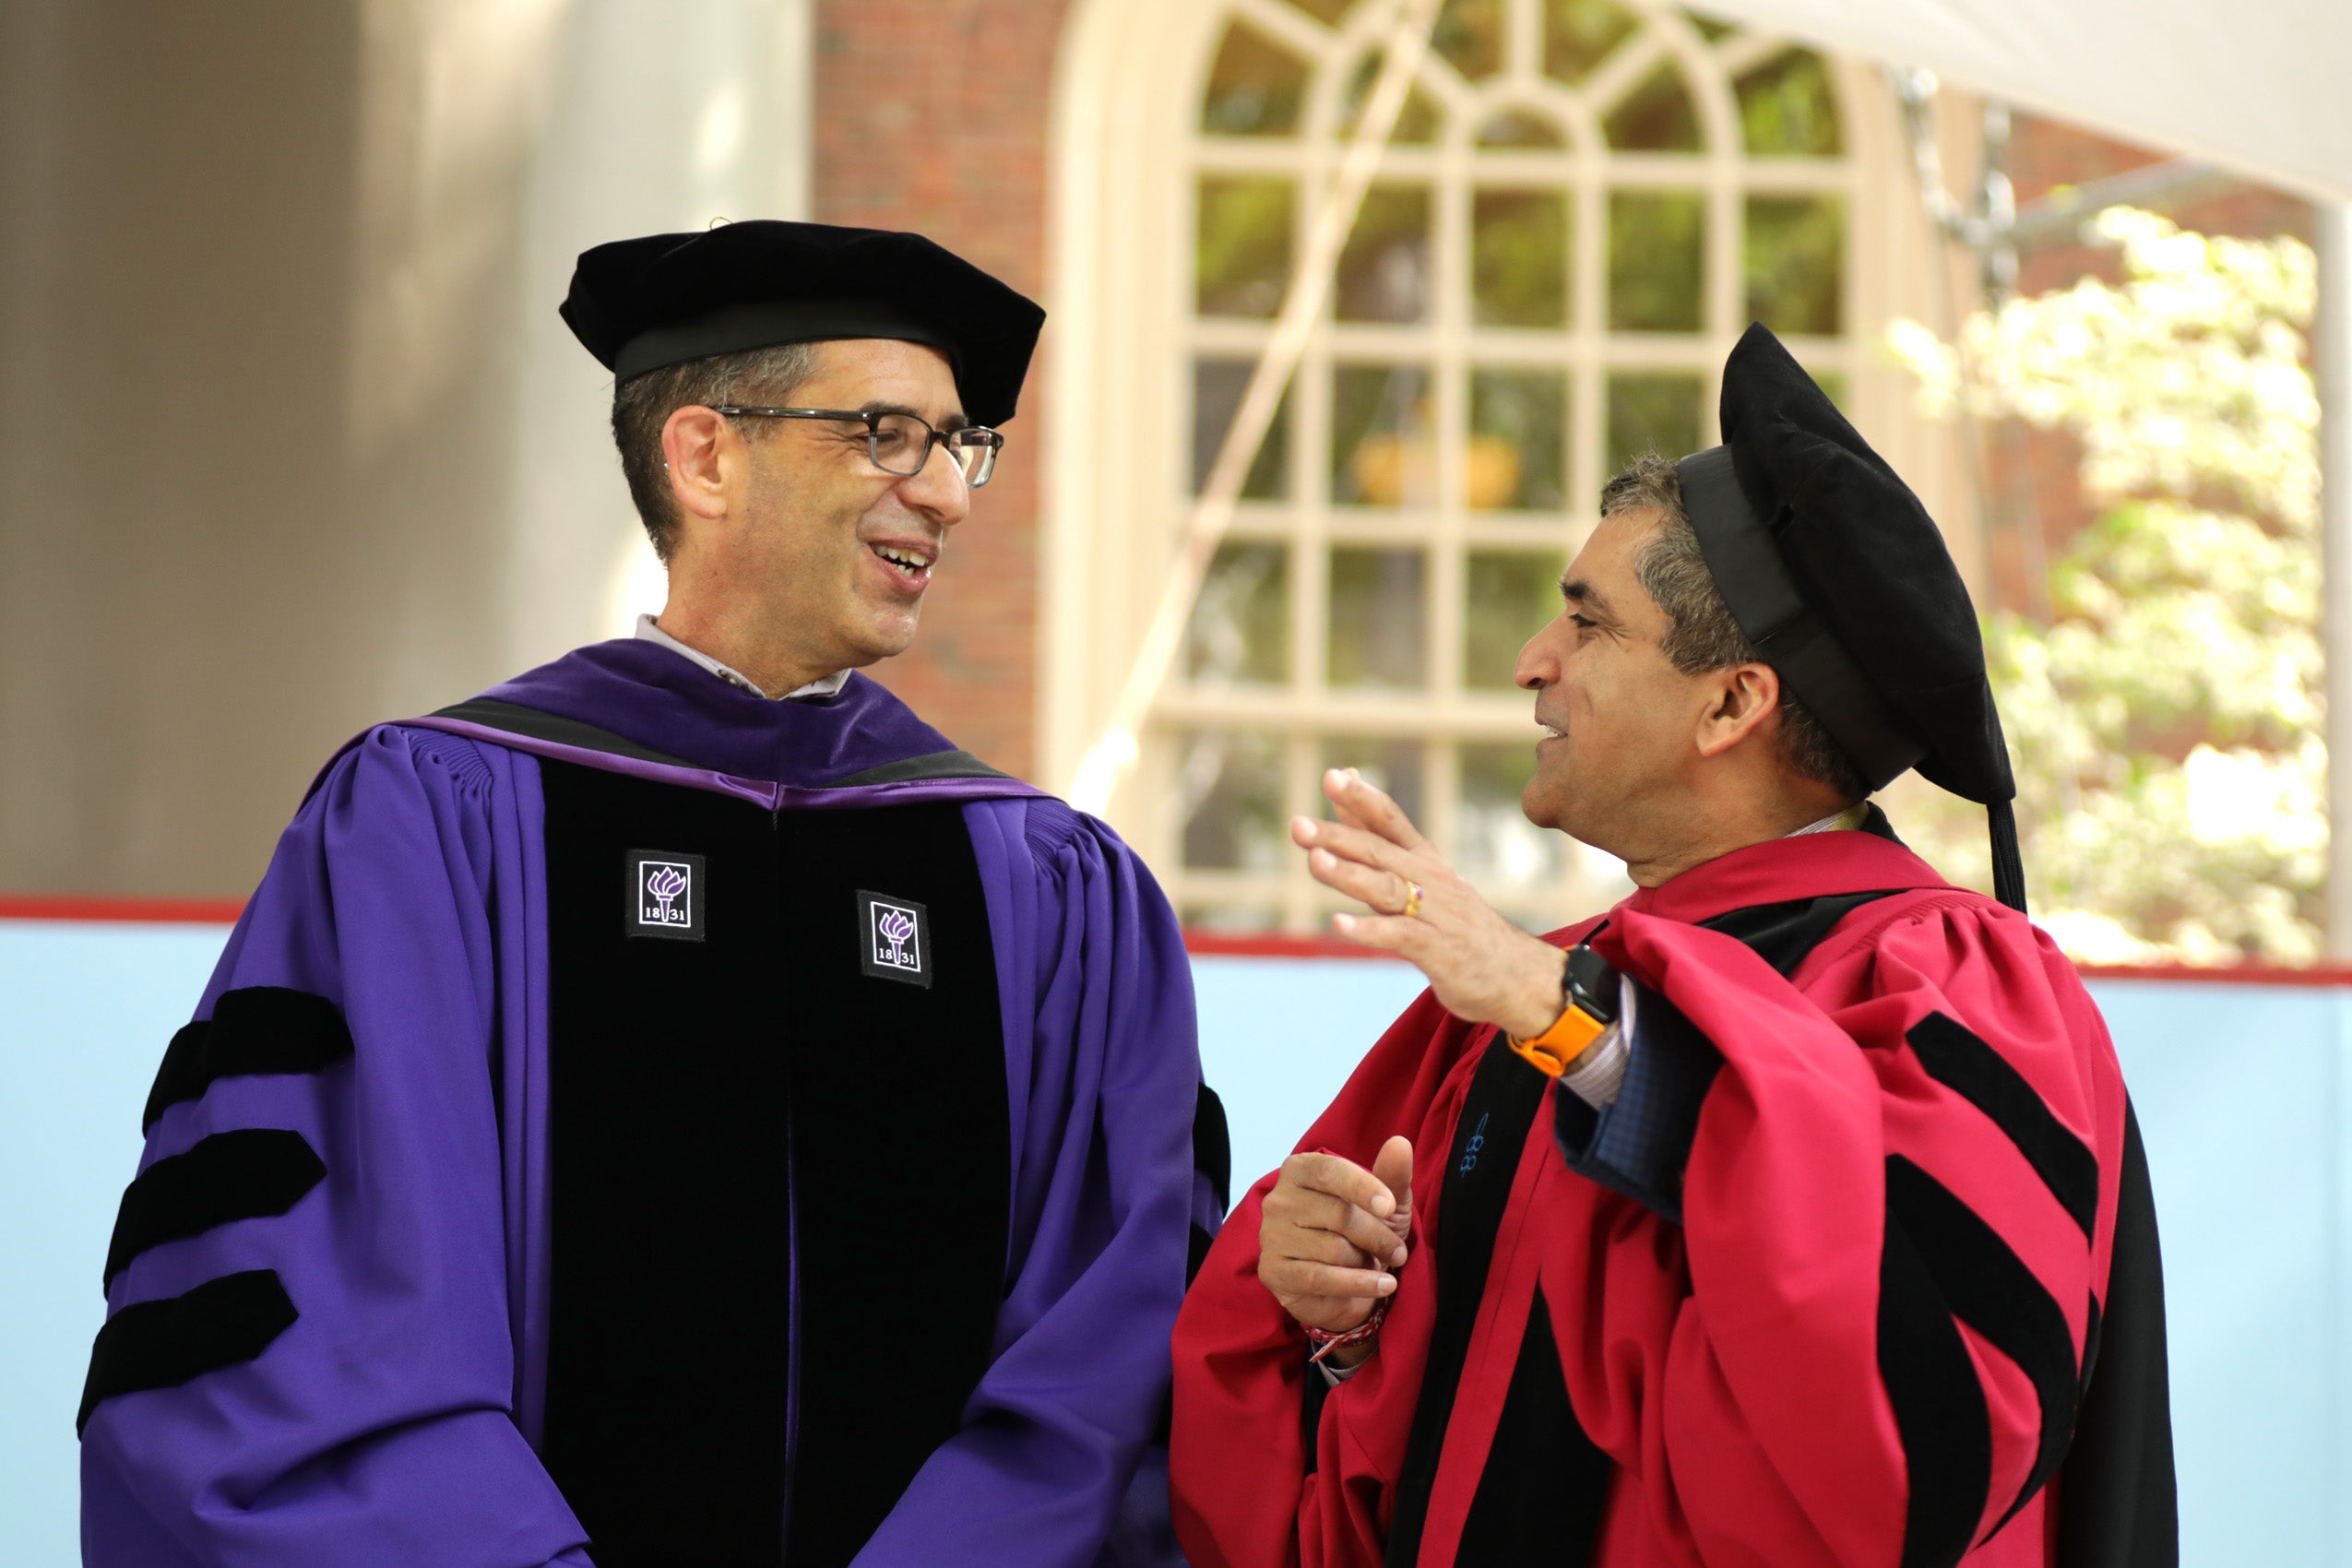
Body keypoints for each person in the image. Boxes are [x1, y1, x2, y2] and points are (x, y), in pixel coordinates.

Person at [79, 220, 1222, 1568]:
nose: (947, 494)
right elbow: (324, 1305)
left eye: (957, 443)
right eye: (885, 435)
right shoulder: (431, 820)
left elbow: (1112, 1333)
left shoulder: (1041, 882)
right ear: (704, 456)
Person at [1169, 323, 2174, 1568]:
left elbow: (1910, 1447)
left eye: (1586, 624)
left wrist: (1574, 1026)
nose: (1531, 663)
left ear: (1731, 702)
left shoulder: (1942, 985)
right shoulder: (1520, 994)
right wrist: (1331, 1313)